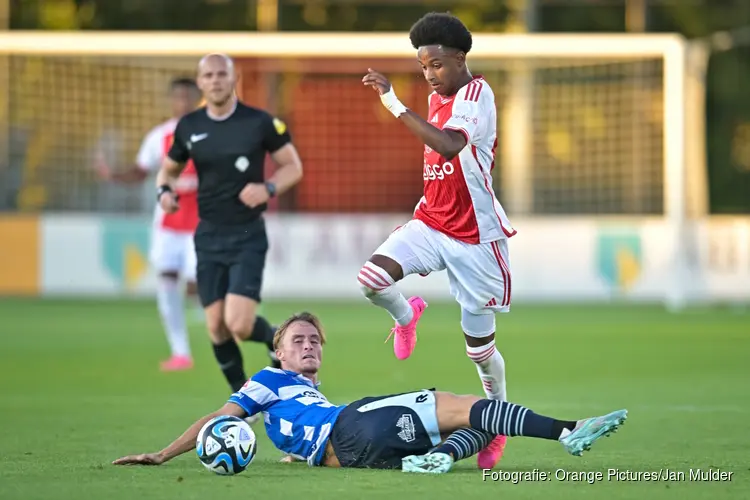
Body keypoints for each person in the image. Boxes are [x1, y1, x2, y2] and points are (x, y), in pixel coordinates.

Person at [112, 312, 627, 474]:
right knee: (471, 405)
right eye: (299, 341)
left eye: (316, 340)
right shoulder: (268, 381)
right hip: (353, 424)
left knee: (471, 425)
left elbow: (290, 431)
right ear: (279, 353)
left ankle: (437, 458)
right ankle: (568, 430)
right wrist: (162, 455)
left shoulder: (292, 401)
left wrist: (295, 453)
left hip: (354, 453)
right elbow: (220, 418)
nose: (310, 346)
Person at [359, 12, 515, 469]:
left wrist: (393, 104)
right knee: (370, 279)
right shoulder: (435, 97)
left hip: (475, 239)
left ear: (460, 58)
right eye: (424, 67)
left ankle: (496, 422)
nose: (430, 74)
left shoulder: (477, 93)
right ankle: (407, 316)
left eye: (437, 65)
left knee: (480, 353)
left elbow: (449, 146)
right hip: (431, 223)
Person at [154, 53, 304, 393]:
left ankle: (273, 337)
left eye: (222, 74)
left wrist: (267, 188)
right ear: (201, 82)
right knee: (215, 328)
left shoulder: (260, 122)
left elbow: (293, 167)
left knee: (237, 324)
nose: (216, 80)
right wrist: (164, 191)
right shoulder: (190, 126)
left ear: (233, 79)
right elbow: (169, 169)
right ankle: (243, 395)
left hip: (247, 234)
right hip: (207, 234)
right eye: (208, 75)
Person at [97, 77, 202, 372]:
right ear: (172, 100)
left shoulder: (209, 133)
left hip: (201, 223)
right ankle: (180, 352)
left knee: (197, 284)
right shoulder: (160, 136)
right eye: (178, 97)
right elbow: (141, 170)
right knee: (167, 280)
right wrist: (113, 175)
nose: (182, 102)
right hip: (168, 224)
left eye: (188, 97)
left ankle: (227, 320)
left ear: (196, 99)